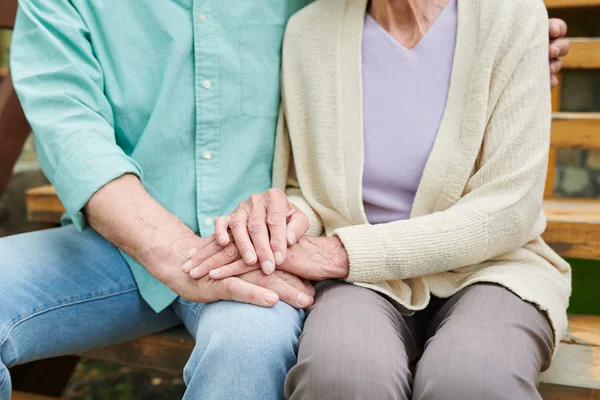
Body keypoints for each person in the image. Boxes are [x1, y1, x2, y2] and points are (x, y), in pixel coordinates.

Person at [1, 1, 568, 399]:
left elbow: (411, 34)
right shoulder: (61, 2)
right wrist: (178, 256)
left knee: (247, 351)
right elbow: (72, 133)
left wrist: (505, 43)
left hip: (266, 253)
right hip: (133, 244)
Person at [194, 0, 572, 399]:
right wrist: (281, 225)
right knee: (341, 376)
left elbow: (509, 209)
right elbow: (306, 187)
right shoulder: (309, 31)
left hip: (493, 268)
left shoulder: (512, 15)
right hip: (363, 281)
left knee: (472, 379)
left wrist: (337, 254)